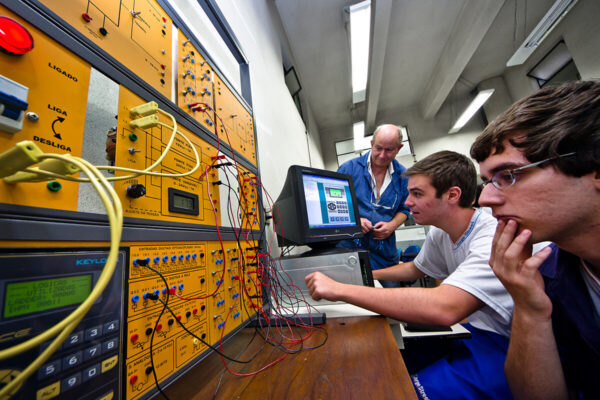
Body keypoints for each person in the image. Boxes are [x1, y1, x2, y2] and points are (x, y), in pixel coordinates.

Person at [306, 151, 514, 400]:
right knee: (385, 363)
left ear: (452, 195)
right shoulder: (441, 232)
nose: (407, 202)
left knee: (402, 391)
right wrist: (365, 275)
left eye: (417, 194)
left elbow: (445, 308)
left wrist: (339, 289)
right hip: (476, 333)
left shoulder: (490, 235)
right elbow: (415, 269)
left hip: (508, 347)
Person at [470, 80, 600, 399]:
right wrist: (528, 307)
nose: (485, 199)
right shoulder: (549, 277)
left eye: (508, 176)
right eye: (488, 181)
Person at [336, 124, 410, 288]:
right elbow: (334, 204)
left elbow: (405, 209)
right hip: (350, 248)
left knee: (392, 301)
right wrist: (354, 220)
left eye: (389, 150)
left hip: (384, 252)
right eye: (378, 148)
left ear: (399, 148)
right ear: (371, 144)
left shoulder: (404, 177)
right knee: (352, 299)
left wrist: (392, 225)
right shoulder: (349, 169)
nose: (382, 155)